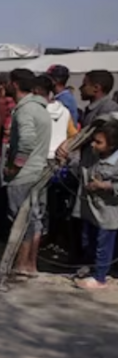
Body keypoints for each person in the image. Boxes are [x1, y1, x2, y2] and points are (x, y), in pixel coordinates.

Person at [4, 69, 52, 279]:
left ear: (14, 84)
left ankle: (22, 264)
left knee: (21, 220)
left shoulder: (25, 110)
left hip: (24, 175)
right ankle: (31, 264)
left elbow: (26, 141)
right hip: (39, 172)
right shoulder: (40, 107)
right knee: (34, 219)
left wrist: (14, 167)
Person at [77, 122, 118, 290]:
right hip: (93, 210)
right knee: (91, 240)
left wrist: (103, 186)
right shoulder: (93, 155)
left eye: (99, 142)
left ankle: (100, 278)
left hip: (109, 212)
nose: (94, 144)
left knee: (104, 244)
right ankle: (94, 269)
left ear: (112, 145)